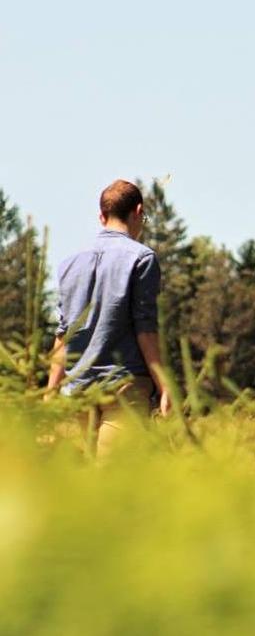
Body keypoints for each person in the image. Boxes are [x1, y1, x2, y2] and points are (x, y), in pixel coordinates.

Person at [46, 179, 171, 457]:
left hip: (75, 390)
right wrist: (164, 385)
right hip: (124, 389)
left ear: (102, 216)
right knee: (112, 486)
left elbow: (63, 334)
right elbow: (145, 329)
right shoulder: (142, 259)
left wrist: (49, 394)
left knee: (77, 485)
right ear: (138, 211)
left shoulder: (69, 263)